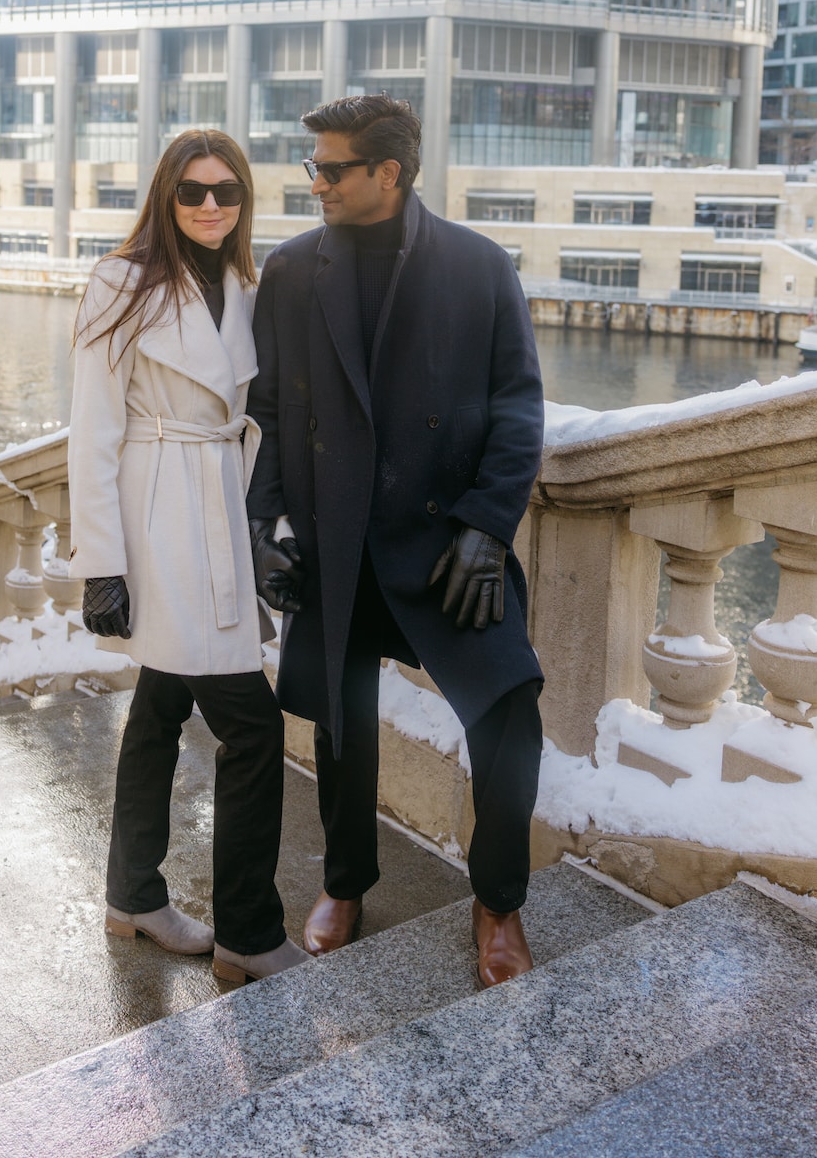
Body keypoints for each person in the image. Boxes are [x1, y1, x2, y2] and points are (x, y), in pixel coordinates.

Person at [246, 94, 545, 988]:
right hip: (334, 536)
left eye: (331, 169)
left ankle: (499, 900)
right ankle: (345, 882)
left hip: (446, 539)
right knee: (342, 723)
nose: (316, 184)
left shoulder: (479, 266)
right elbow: (271, 412)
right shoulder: (291, 271)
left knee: (509, 711)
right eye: (312, 167)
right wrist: (265, 524)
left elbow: (518, 408)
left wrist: (487, 525)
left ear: (390, 172)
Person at [68, 128, 306, 986]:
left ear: (244, 199)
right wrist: (103, 564)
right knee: (254, 727)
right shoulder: (119, 283)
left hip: (221, 505)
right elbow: (93, 432)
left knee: (161, 705)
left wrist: (269, 528)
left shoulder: (246, 285)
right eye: (193, 191)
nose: (211, 205)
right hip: (159, 513)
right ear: (165, 197)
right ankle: (248, 931)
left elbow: (259, 413)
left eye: (227, 190)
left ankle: (133, 896)